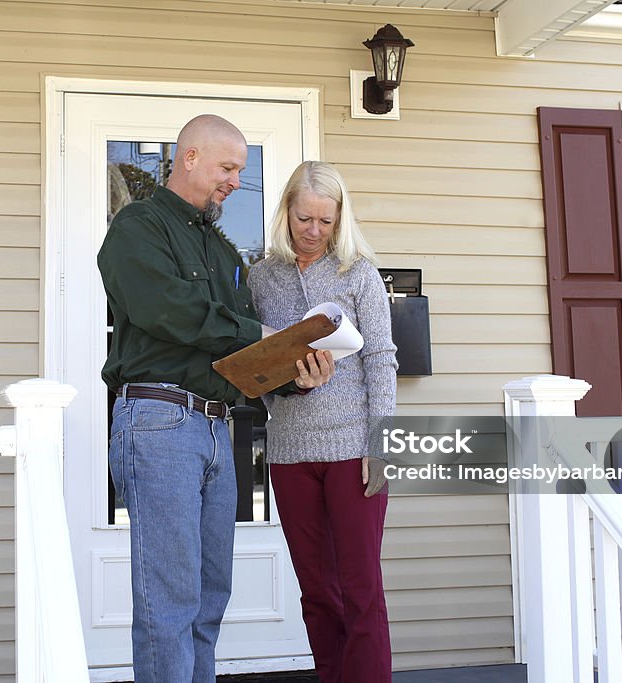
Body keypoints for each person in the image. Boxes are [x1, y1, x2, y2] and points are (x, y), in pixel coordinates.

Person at [97, 115, 335, 683]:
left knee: (209, 593)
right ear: (190, 157)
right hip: (158, 420)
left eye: (240, 171)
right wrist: (257, 338)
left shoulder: (224, 250)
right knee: (170, 594)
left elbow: (241, 347)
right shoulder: (138, 227)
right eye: (228, 168)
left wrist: (292, 373)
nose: (234, 181)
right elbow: (168, 310)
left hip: (215, 426)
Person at [247, 160, 398, 683]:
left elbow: (381, 357)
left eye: (325, 221)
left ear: (340, 220)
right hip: (289, 452)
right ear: (286, 211)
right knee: (316, 590)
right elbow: (255, 362)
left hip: (354, 450)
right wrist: (285, 382)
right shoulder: (261, 276)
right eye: (304, 218)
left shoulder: (359, 274)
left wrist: (381, 443)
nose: (313, 231)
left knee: (360, 590)